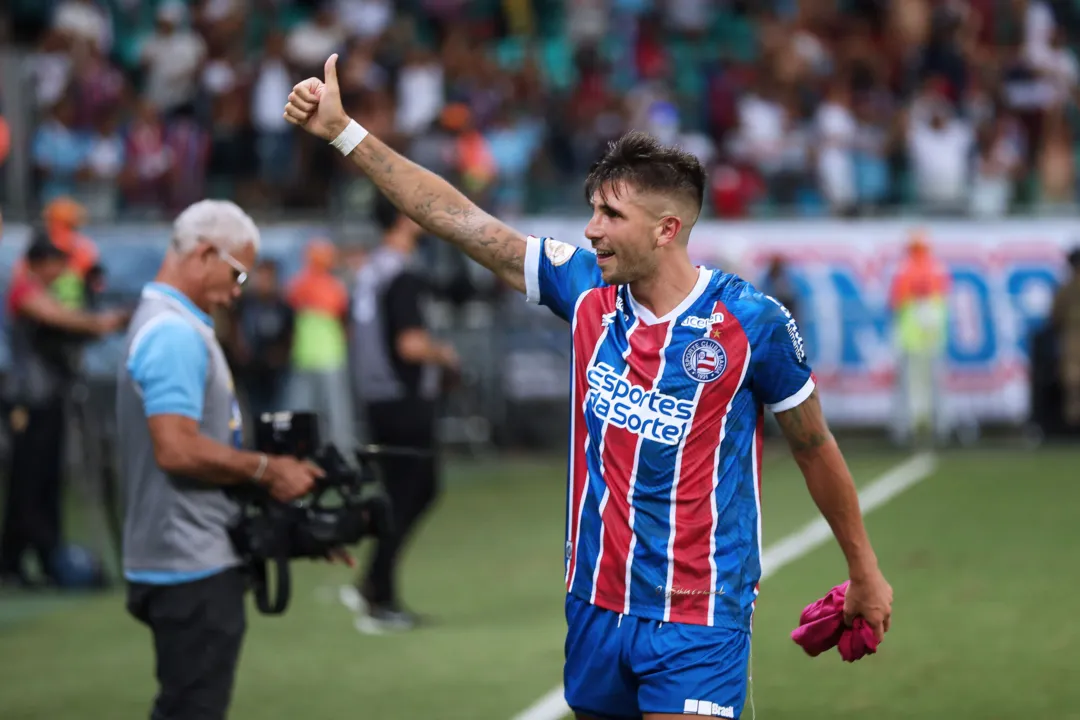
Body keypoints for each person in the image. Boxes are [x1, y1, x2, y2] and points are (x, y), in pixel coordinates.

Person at [284, 56, 893, 720]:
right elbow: (457, 220)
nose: (591, 228)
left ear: (667, 230)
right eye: (592, 210)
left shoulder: (753, 324)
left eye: (609, 213)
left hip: (698, 614)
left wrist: (864, 571)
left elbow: (814, 446)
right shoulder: (584, 292)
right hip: (595, 606)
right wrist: (345, 133)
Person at [116, 199, 336, 720]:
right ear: (205, 253)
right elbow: (176, 448)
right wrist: (268, 469)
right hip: (187, 562)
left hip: (182, 552)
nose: (238, 291)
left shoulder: (169, 322)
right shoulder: (173, 333)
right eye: (237, 273)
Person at [340, 193, 460, 633]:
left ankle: (375, 586)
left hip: (376, 395)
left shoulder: (371, 270)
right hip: (403, 397)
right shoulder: (401, 274)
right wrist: (444, 355)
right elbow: (409, 345)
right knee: (415, 491)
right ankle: (376, 589)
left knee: (402, 493)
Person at [0, 232, 127, 588]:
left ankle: (35, 555)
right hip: (29, 399)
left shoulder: (41, 292)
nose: (61, 269)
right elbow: (63, 319)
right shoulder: (23, 291)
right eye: (55, 262)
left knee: (43, 479)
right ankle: (25, 555)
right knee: (30, 478)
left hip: (48, 396)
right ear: (39, 263)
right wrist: (101, 321)